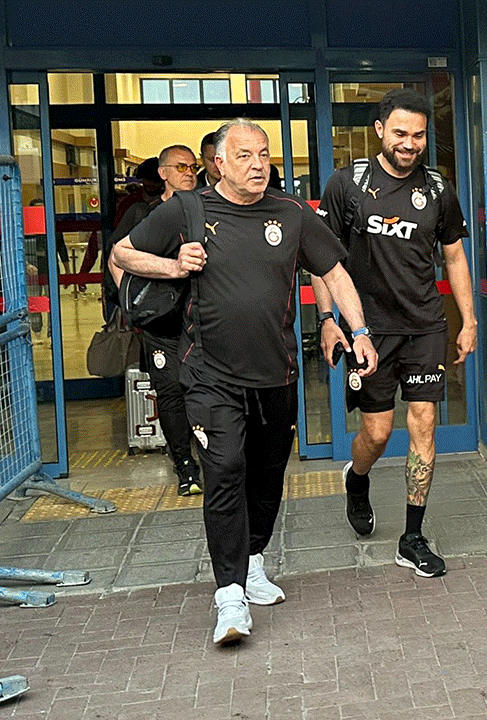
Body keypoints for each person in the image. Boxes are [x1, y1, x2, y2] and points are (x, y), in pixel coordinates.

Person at [112, 119, 377, 646]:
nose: (258, 165)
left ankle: (253, 560)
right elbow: (122, 254)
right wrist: (171, 265)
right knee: (226, 469)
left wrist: (359, 329)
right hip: (209, 375)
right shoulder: (188, 210)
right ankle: (229, 597)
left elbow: (335, 273)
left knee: (268, 472)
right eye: (245, 156)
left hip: (275, 375)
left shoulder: (292, 213)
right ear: (220, 163)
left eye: (263, 154)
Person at [313, 88, 476, 579]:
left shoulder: (439, 191)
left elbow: (453, 256)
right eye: (401, 133)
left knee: (423, 424)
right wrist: (327, 319)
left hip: (425, 326)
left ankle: (412, 536)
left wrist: (467, 321)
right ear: (380, 130)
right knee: (378, 433)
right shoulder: (348, 185)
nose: (410, 143)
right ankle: (356, 479)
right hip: (369, 331)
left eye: (420, 135)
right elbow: (322, 261)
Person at [105, 144, 205, 496]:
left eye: (193, 166)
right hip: (162, 325)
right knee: (171, 393)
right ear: (163, 172)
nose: (189, 172)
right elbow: (116, 260)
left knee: (207, 390)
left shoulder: (208, 208)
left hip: (204, 322)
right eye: (180, 167)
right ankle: (186, 468)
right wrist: (137, 306)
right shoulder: (142, 215)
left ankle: (213, 458)